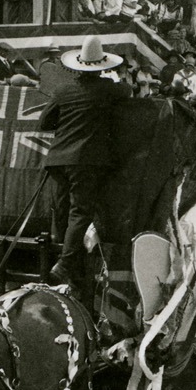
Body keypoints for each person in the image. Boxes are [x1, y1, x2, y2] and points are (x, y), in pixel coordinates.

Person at [41, 38, 125, 288]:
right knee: (80, 211)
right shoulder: (108, 89)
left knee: (63, 209)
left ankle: (66, 259)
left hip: (58, 158)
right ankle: (66, 264)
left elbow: (45, 122)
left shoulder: (62, 90)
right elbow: (127, 91)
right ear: (101, 67)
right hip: (86, 159)